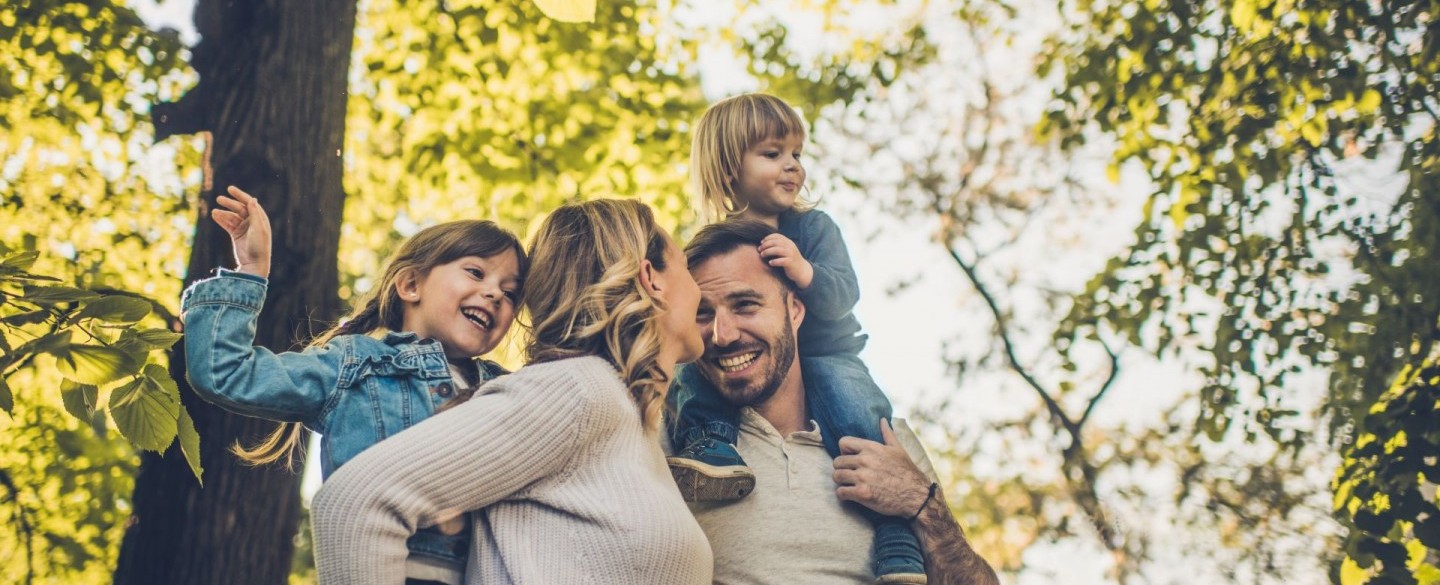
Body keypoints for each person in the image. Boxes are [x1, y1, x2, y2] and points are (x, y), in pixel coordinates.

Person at [310, 199, 713, 585]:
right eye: (687, 268)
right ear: (650, 278)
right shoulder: (579, 391)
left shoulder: (630, 421)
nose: (701, 292)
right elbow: (354, 502)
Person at [181, 186, 526, 585]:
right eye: (476, 272)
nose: (494, 293)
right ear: (411, 285)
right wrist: (252, 269)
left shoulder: (505, 390)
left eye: (510, 292)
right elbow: (225, 372)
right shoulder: (354, 365)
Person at [668, 92, 927, 581]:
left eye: (796, 155)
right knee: (690, 370)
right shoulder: (712, 248)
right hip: (750, 379)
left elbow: (844, 292)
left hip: (827, 353)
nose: (792, 167)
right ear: (728, 169)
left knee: (860, 418)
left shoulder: (812, 229)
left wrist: (805, 272)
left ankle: (893, 535)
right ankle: (709, 445)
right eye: (773, 154)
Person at [678, 219, 1000, 585]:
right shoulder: (678, 447)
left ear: (795, 311)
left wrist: (920, 503)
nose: (723, 334)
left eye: (746, 305)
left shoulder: (885, 442)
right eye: (703, 313)